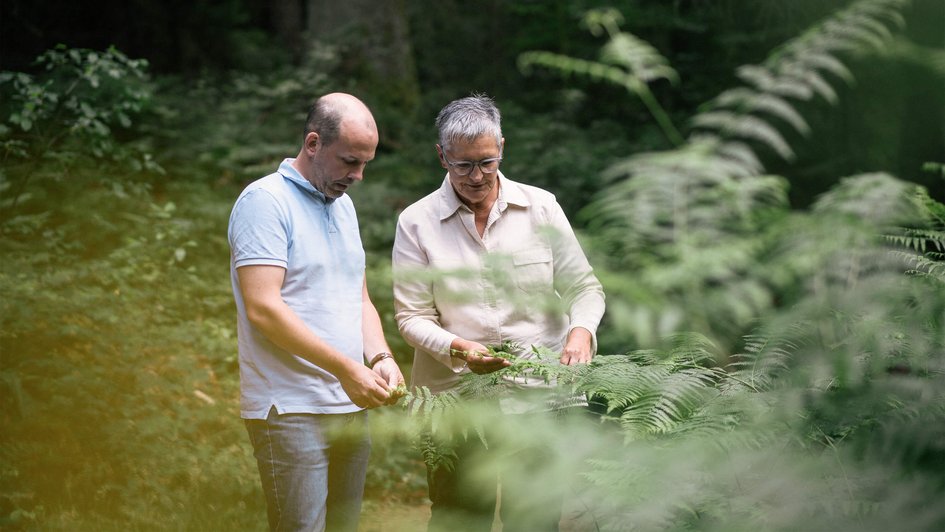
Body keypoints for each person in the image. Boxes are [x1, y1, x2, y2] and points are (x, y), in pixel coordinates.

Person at [392, 94, 606, 531]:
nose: (476, 176)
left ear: (502, 147)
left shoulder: (541, 207)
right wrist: (459, 348)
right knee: (459, 520)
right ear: (441, 156)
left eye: (487, 163)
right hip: (457, 404)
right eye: (462, 165)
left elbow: (585, 287)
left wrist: (581, 331)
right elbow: (411, 317)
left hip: (542, 397)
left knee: (535, 519)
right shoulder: (416, 222)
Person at [228, 92, 405, 532]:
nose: (359, 175)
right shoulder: (264, 202)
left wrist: (380, 357)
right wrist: (347, 368)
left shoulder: (343, 206)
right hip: (289, 409)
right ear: (312, 144)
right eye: (349, 161)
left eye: (365, 163)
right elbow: (263, 308)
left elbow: (358, 297)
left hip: (347, 406)